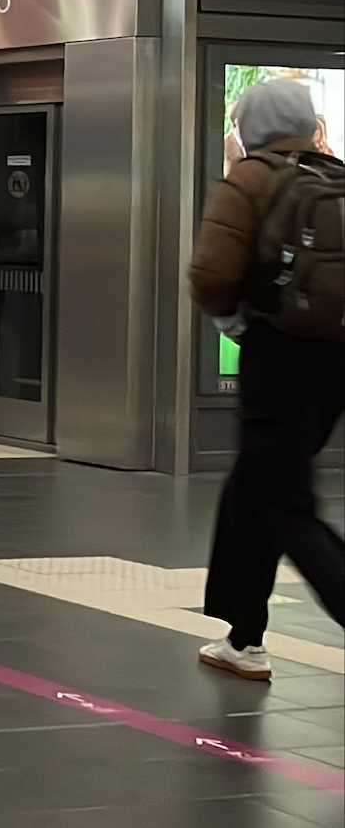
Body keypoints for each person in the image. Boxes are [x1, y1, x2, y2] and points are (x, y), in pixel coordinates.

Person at [189, 77, 345, 681]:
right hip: (337, 359)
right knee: (254, 485)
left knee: (282, 500)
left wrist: (239, 324)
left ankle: (249, 636)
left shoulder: (252, 178)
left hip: (280, 356)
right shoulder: (336, 175)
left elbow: (211, 274)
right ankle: (243, 636)